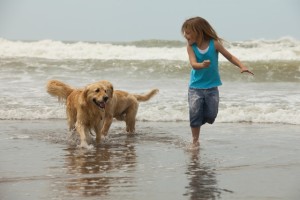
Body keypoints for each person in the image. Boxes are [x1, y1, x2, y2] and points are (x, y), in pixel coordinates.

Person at [181, 16, 254, 147]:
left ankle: (197, 120)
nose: (185, 35)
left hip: (212, 87)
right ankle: (195, 140)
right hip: (195, 87)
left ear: (198, 31)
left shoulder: (213, 44)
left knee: (211, 116)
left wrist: (242, 66)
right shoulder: (190, 47)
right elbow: (193, 64)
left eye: (188, 32)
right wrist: (201, 65)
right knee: (194, 112)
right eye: (185, 32)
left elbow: (229, 56)